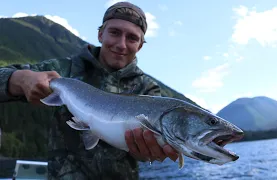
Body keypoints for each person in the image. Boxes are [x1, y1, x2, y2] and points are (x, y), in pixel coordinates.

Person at [0, 2, 178, 179]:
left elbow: (146, 152)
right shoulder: (63, 70)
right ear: (100, 34)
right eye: (115, 32)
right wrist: (20, 79)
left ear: (140, 46)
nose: (121, 44)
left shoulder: (148, 90)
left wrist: (146, 152)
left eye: (132, 38)